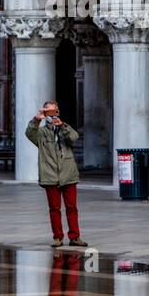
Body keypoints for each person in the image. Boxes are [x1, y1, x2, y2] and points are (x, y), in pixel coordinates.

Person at [24, 101, 86, 247]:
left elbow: (74, 138)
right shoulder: (41, 133)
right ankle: (57, 237)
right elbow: (29, 133)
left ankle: (75, 237)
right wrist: (37, 119)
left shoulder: (64, 128)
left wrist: (62, 126)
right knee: (54, 209)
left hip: (68, 174)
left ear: (58, 112)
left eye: (54, 111)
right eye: (48, 112)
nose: (52, 115)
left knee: (72, 207)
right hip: (50, 175)